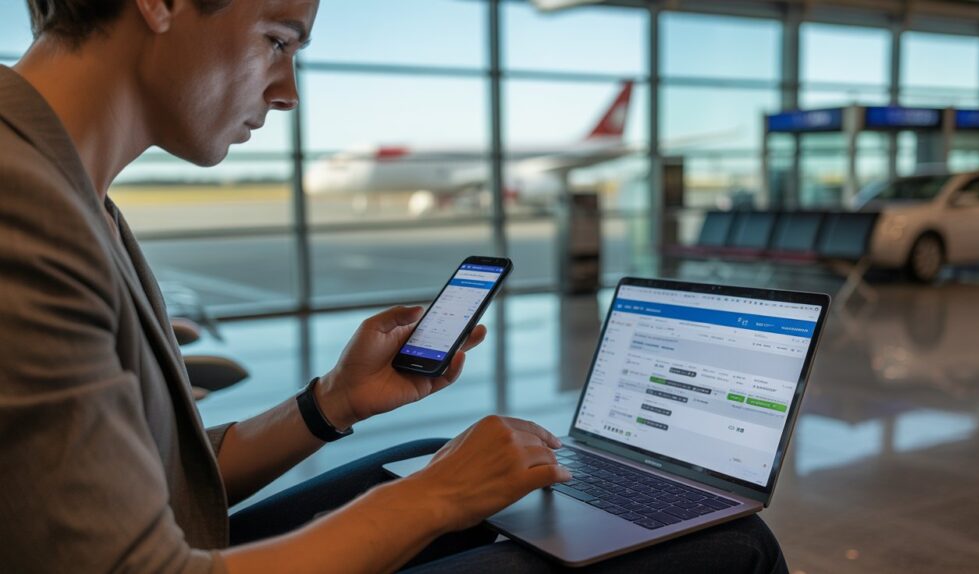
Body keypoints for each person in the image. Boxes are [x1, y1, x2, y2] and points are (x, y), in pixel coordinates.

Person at [0, 1, 788, 572]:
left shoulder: (77, 190)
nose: (288, 92)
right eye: (278, 40)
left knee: (422, 450)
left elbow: (164, 470)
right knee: (732, 545)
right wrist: (432, 502)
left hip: (182, 535)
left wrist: (331, 402)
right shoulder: (21, 205)